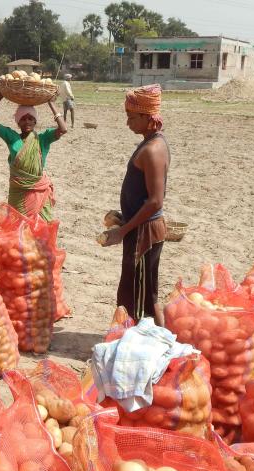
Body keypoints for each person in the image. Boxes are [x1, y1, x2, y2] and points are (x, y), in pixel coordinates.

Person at [102, 84, 170, 326]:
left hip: (144, 234)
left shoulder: (152, 149)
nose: (128, 123)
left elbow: (155, 201)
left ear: (147, 117)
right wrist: (124, 217)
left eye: (132, 118)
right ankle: (142, 339)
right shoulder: (151, 142)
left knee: (143, 298)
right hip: (139, 228)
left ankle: (158, 343)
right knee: (137, 291)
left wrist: (123, 230)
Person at [0, 87, 68, 221]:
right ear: (18, 122)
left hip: (38, 191)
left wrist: (51, 103)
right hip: (18, 193)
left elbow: (63, 129)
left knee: (40, 230)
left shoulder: (43, 139)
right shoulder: (12, 137)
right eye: (23, 119)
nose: (27, 122)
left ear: (35, 121)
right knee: (16, 227)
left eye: (30, 118)